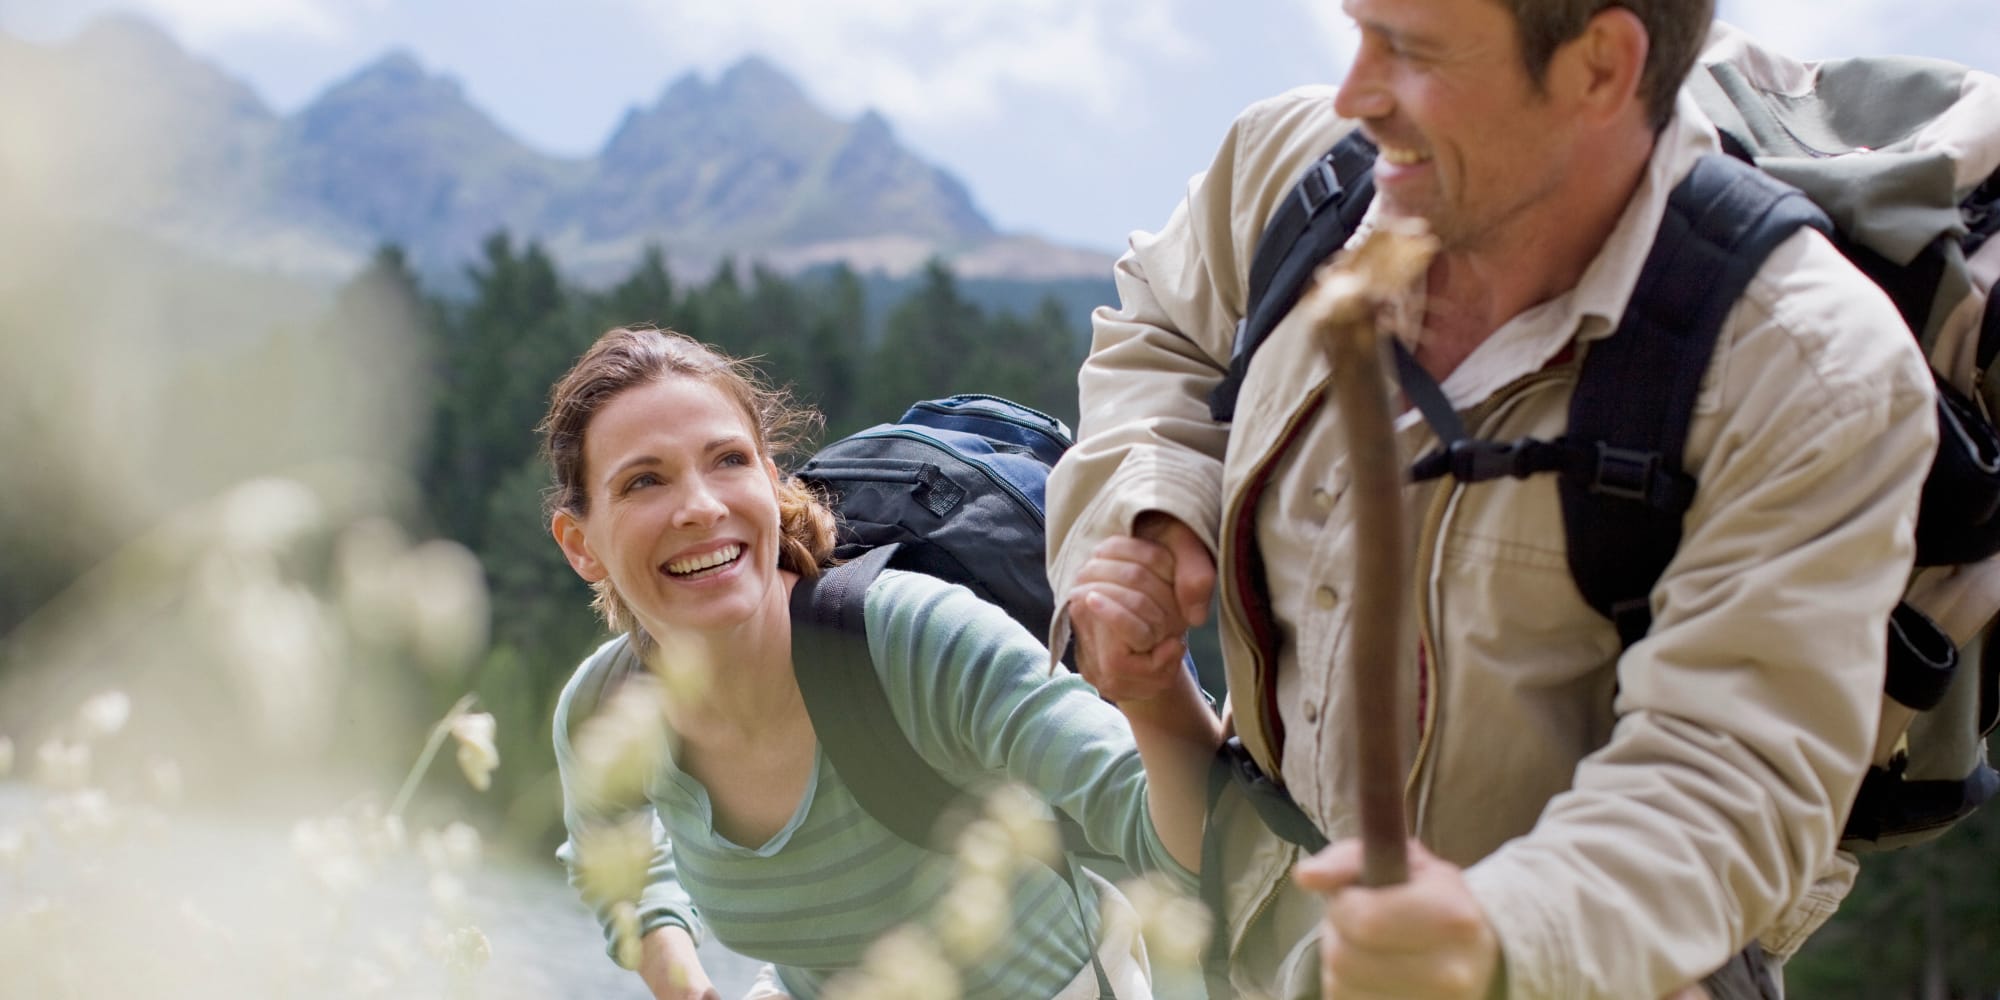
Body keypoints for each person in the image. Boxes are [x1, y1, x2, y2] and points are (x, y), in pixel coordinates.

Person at [1045, 2, 1940, 997]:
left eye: (1412, 52)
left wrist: (1492, 937)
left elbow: (1727, 779)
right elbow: (1161, 329)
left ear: (1598, 67)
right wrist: (1150, 506)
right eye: (1358, 29)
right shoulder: (1304, 172)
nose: (1355, 93)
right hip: (1261, 926)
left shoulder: (1805, 366)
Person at [541, 326, 1220, 1000]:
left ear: (771, 484)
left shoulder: (914, 642)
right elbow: (608, 854)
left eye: (728, 461)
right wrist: (681, 978)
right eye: (644, 481)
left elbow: (1197, 847)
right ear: (580, 545)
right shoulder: (611, 705)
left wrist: (1152, 688)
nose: (700, 506)